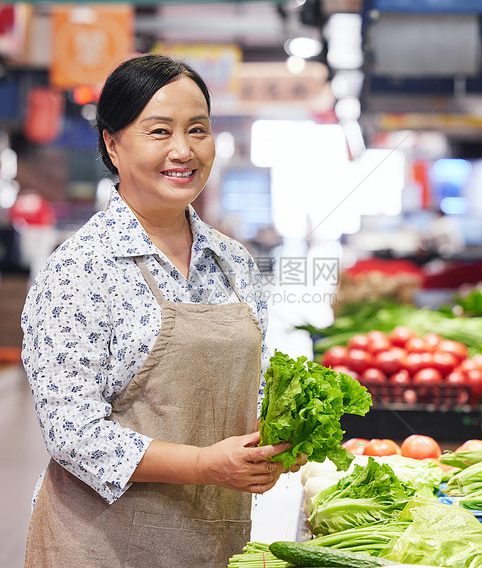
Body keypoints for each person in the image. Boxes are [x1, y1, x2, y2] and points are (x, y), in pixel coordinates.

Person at [21, 54, 302, 567]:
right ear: (113, 142)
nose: (183, 150)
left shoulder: (233, 262)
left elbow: (251, 390)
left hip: (216, 539)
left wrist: (276, 443)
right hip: (104, 545)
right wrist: (204, 464)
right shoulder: (80, 269)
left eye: (198, 129)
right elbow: (72, 432)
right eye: (158, 131)